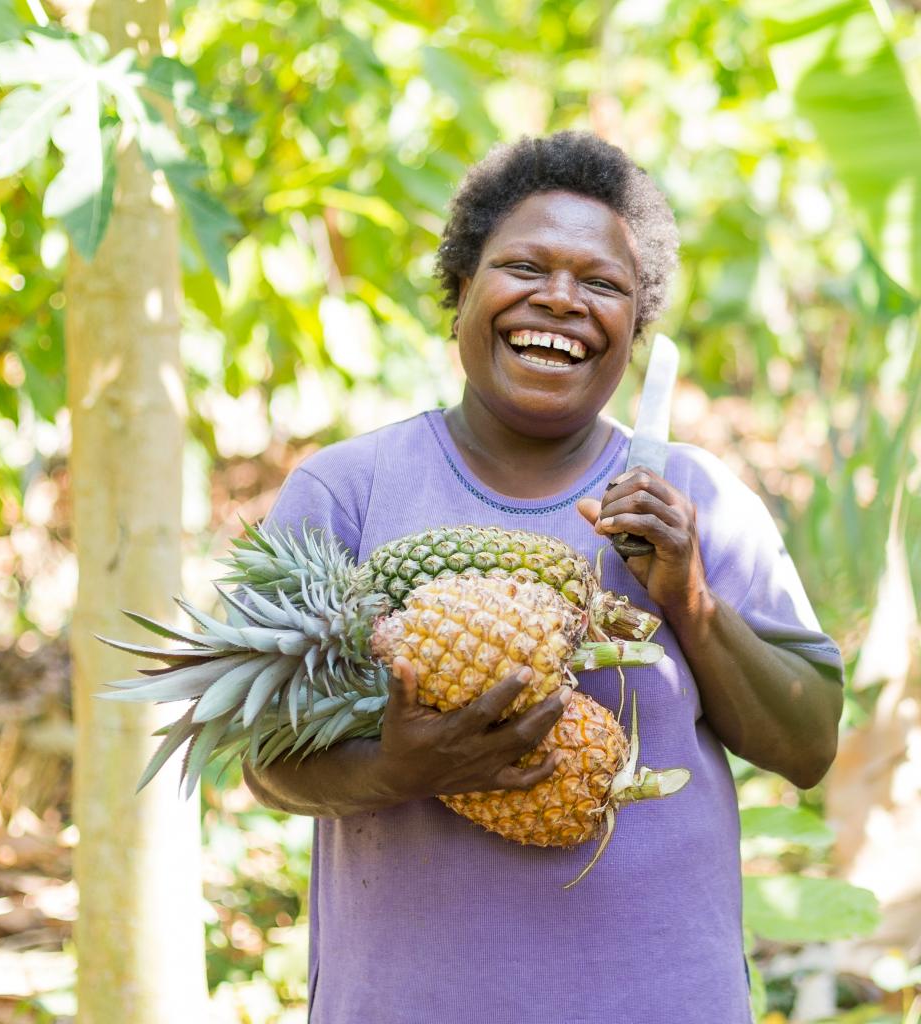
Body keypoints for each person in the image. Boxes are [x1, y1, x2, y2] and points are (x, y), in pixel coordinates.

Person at [242, 131, 845, 1022]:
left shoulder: (699, 499)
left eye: (603, 284)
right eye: (525, 266)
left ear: (635, 332)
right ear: (460, 295)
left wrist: (689, 602)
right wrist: (395, 770)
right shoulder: (349, 492)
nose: (560, 299)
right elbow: (264, 762)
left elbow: (808, 746)